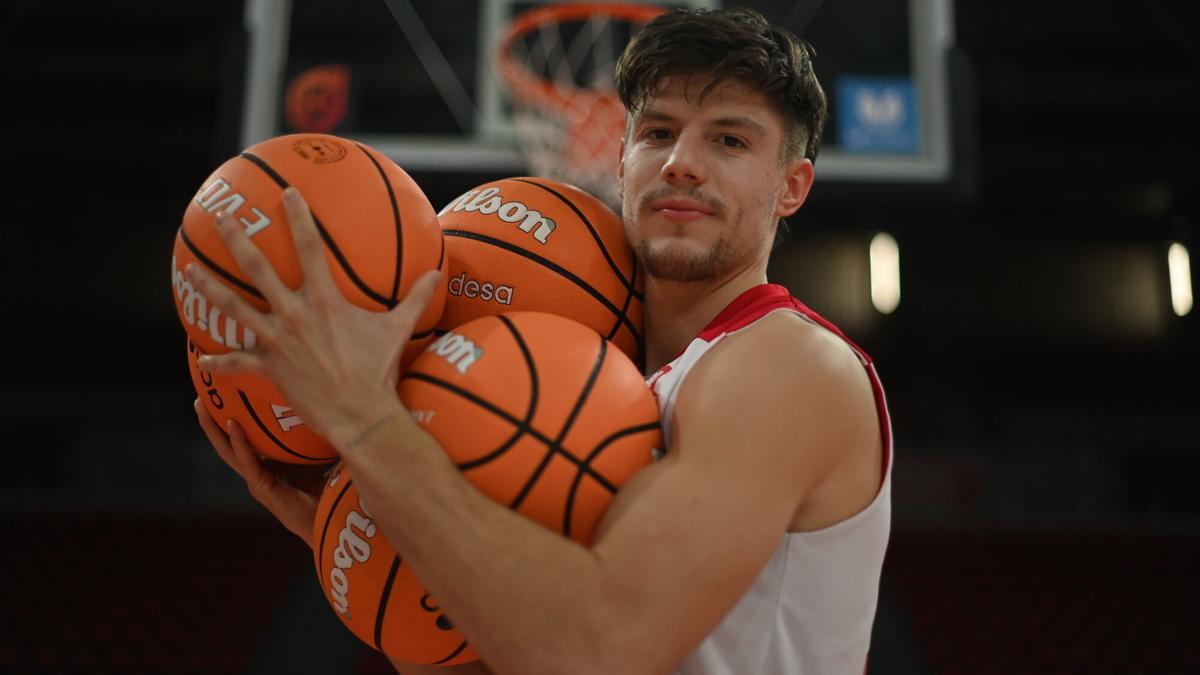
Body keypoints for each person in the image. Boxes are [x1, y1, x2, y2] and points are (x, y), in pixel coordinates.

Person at [188, 7, 891, 675]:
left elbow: (598, 648)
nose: (681, 161)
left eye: (729, 139)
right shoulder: (615, 387)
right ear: (617, 163)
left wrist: (366, 422)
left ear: (792, 186)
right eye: (657, 133)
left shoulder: (789, 363)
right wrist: (353, 524)